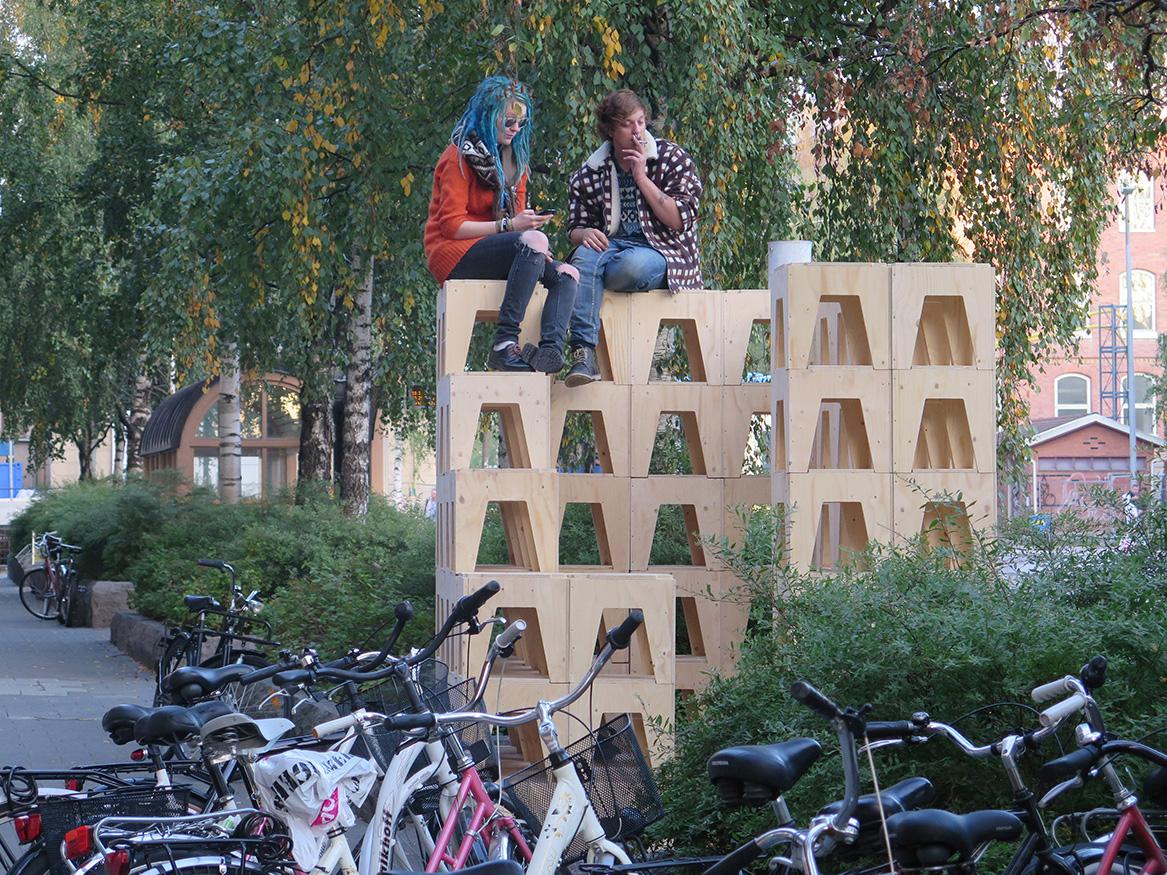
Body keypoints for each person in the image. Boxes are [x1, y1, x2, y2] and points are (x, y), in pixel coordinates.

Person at [424, 76, 578, 373]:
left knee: (567, 274)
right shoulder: (458, 156)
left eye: (521, 122)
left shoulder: (515, 162)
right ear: (489, 115)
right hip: (453, 253)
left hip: (497, 246)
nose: (515, 129)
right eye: (509, 121)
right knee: (534, 242)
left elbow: (519, 228)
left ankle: (550, 352)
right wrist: (512, 226)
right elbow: (452, 227)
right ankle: (504, 344)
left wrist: (526, 226)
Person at [563, 89, 704, 386]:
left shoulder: (669, 157)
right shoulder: (591, 171)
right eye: (628, 124)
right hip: (611, 247)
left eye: (641, 121)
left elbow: (679, 220)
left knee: (630, 268)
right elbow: (574, 227)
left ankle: (595, 279)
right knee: (582, 258)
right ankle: (582, 354)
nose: (638, 130)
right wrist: (585, 233)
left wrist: (641, 177)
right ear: (611, 130)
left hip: (663, 251)